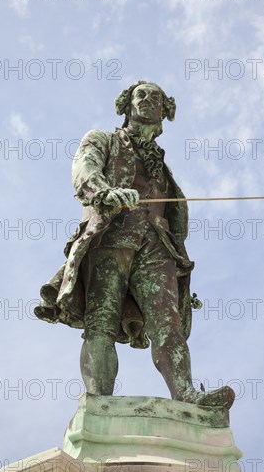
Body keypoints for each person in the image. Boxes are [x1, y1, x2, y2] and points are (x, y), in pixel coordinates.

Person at [35, 80, 234, 408]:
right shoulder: (104, 139)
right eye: (140, 95)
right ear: (126, 104)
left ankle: (186, 394)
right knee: (101, 318)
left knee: (169, 322)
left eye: (154, 97)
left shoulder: (162, 167)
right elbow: (85, 167)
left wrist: (181, 268)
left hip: (157, 245)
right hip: (112, 236)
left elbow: (177, 218)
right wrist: (103, 192)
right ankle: (99, 402)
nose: (146, 100)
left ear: (164, 110)